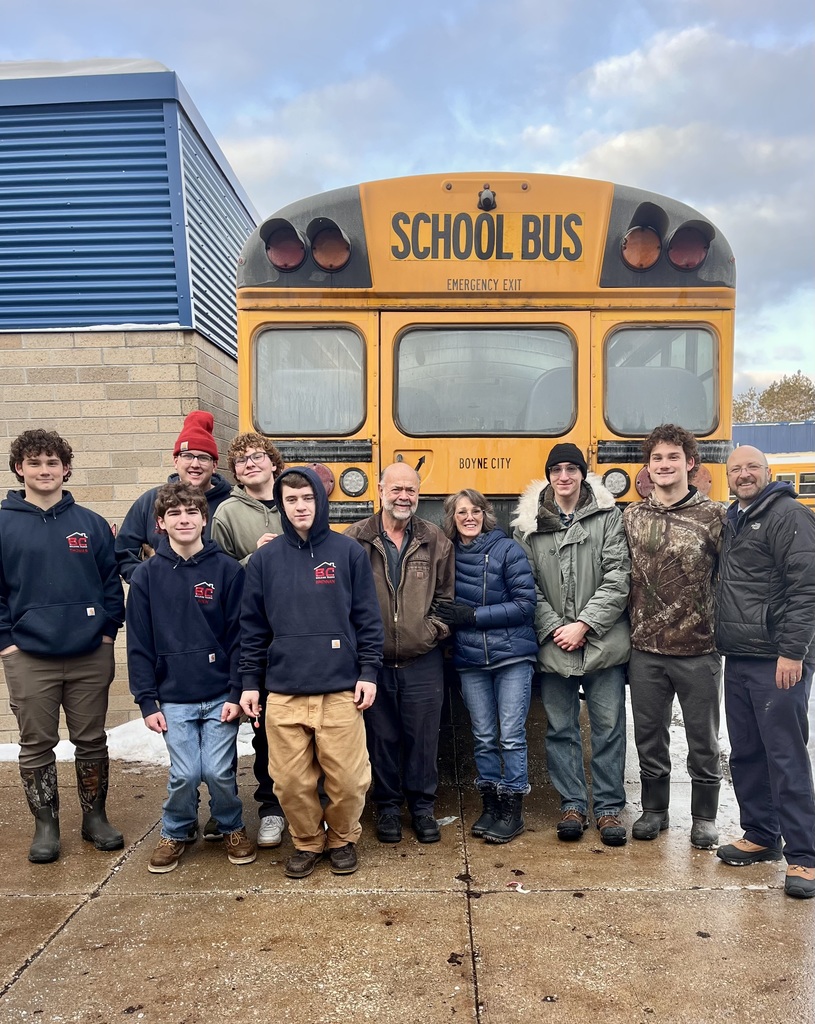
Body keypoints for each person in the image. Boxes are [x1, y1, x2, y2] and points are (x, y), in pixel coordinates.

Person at [239, 467, 383, 878]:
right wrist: (251, 683)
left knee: (350, 781)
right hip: (283, 690)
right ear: (281, 505)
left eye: (307, 498)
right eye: (291, 500)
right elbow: (251, 628)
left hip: (340, 689)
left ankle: (341, 839)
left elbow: (368, 619)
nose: (300, 507)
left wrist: (368, 671)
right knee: (288, 782)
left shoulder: (348, 552)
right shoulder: (265, 560)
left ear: (320, 501)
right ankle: (307, 841)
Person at [0, 429, 125, 863]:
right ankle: (46, 826)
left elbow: (112, 584)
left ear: (66, 468)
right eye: (35, 463)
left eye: (53, 462)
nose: (45, 470)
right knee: (37, 744)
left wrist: (108, 633)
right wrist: (7, 645)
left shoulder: (90, 524)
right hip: (29, 656)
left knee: (91, 740)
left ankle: (95, 819)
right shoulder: (3, 523)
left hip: (90, 651)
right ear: (20, 469)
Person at [126, 483, 255, 874]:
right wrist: (147, 700)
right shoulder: (147, 576)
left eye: (192, 512)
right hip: (174, 697)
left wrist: (236, 690)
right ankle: (176, 830)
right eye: (175, 514)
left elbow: (239, 637)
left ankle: (231, 825)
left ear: (204, 518)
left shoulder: (227, 570)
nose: (185, 520)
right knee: (185, 773)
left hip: (220, 695)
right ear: (161, 523)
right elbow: (139, 642)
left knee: (217, 771)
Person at [513, 443, 631, 846]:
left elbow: (619, 577)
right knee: (561, 728)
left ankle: (610, 808)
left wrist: (584, 624)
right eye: (556, 469)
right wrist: (553, 626)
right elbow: (524, 585)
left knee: (609, 728)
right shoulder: (527, 526)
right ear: (548, 475)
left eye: (571, 469)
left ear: (583, 474)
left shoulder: (608, 517)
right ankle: (573, 805)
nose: (564, 476)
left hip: (602, 643)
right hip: (553, 645)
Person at [715, 446, 815, 899]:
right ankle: (760, 835)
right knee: (747, 753)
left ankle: (805, 858)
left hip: (778, 661)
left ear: (768, 472)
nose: (743, 474)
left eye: (752, 467)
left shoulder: (787, 515)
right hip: (739, 656)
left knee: (785, 756)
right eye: (736, 469)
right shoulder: (733, 517)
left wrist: (793, 652)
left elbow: (806, 586)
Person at [623, 424, 725, 848]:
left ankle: (704, 817)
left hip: (699, 649)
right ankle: (654, 811)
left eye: (673, 458)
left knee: (703, 737)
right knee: (649, 734)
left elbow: (733, 578)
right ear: (648, 467)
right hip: (645, 650)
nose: (665, 465)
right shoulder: (631, 516)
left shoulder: (716, 517)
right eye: (657, 459)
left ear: (690, 463)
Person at [345, 463, 454, 845]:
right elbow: (343, 601)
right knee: (381, 738)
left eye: (410, 490)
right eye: (397, 489)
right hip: (372, 663)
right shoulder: (355, 539)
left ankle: (423, 808)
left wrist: (429, 633)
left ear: (418, 494)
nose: (403, 496)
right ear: (380, 490)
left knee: (423, 738)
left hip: (421, 659)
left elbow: (446, 600)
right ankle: (389, 808)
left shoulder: (435, 539)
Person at [436, 489, 537, 844]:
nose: (469, 517)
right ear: (452, 517)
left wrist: (474, 616)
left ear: (485, 514)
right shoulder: (445, 555)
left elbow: (526, 605)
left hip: (512, 657)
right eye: (461, 512)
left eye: (475, 510)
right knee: (483, 736)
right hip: (470, 660)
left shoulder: (507, 549)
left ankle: (512, 810)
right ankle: (491, 804)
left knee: (510, 736)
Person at [210, 432, 286, 851]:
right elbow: (220, 575)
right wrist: (253, 556)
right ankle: (270, 807)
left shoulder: (298, 494)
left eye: (258, 457)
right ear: (235, 472)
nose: (250, 464)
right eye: (241, 461)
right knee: (265, 730)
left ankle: (317, 805)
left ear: (273, 463)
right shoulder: (227, 513)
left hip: (303, 631)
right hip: (259, 633)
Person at [115, 410, 232, 583]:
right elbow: (124, 551)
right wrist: (147, 579)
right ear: (175, 461)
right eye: (187, 456)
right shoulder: (150, 501)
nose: (195, 464)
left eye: (203, 458)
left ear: (214, 465)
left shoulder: (231, 503)